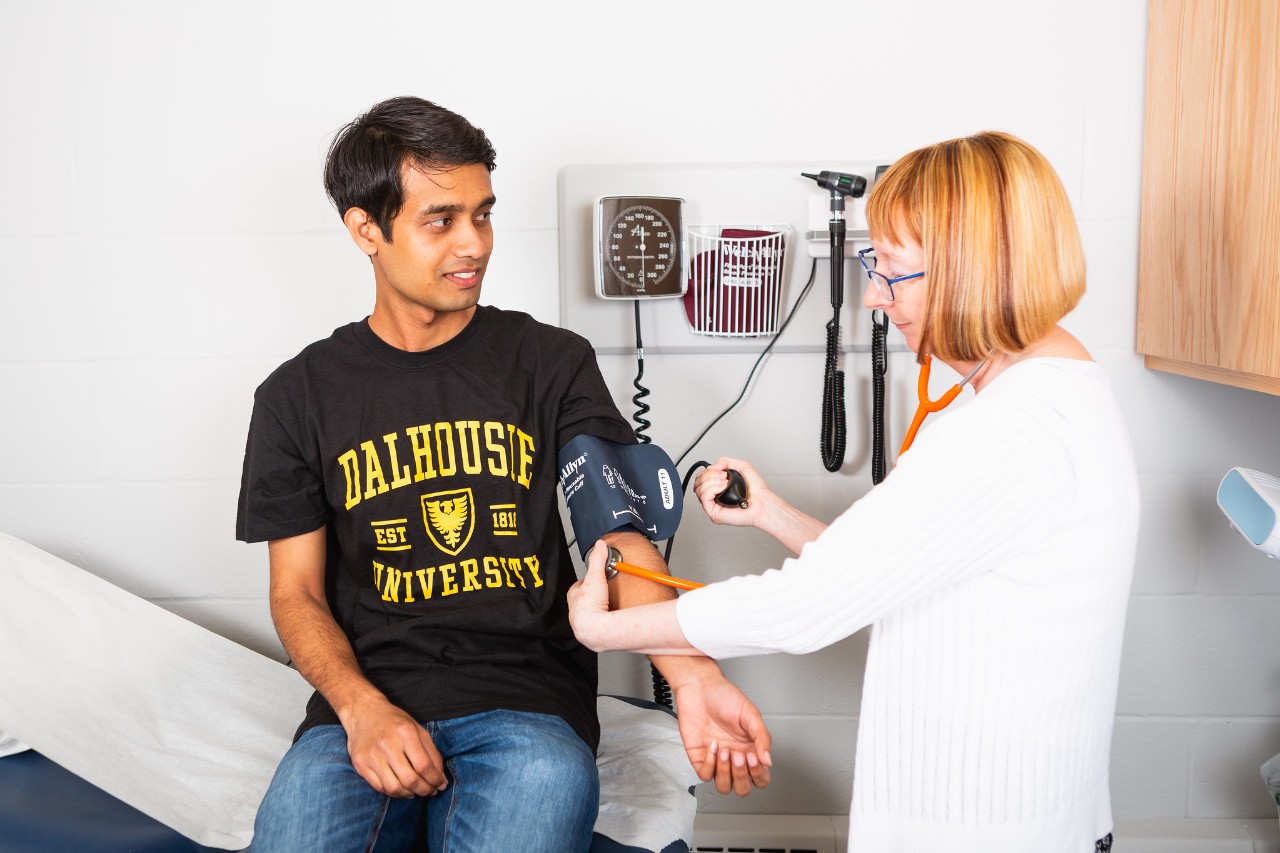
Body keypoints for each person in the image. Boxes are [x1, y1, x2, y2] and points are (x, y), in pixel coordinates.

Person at [568, 131, 1139, 853]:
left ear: (975, 270)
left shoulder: (1012, 432)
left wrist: (603, 629)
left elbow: (808, 606)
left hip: (983, 830)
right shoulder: (1057, 396)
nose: (874, 295)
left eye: (893, 271)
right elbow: (901, 569)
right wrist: (772, 513)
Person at [236, 95, 770, 853]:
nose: (474, 243)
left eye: (482, 214)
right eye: (441, 219)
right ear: (366, 230)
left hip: (526, 710)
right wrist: (360, 709)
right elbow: (295, 592)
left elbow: (617, 538)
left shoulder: (549, 362)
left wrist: (690, 672)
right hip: (363, 707)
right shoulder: (297, 395)